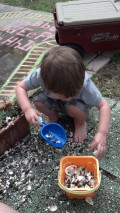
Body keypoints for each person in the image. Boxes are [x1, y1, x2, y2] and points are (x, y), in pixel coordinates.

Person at [15, 46, 111, 158]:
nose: (67, 97)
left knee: (76, 109)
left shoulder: (84, 84)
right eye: (63, 94)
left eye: (72, 93)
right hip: (54, 102)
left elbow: (104, 106)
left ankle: (80, 123)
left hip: (76, 107)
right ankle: (53, 116)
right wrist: (27, 109)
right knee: (38, 101)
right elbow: (20, 87)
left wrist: (102, 133)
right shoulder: (41, 76)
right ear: (46, 83)